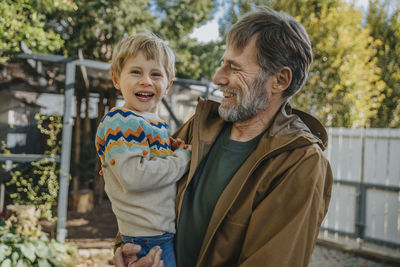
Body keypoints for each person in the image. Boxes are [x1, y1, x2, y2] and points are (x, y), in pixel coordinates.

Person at [114, 6, 333, 267]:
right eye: (222, 63)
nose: (218, 78)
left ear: (279, 80)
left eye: (234, 67)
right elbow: (146, 192)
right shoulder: (201, 125)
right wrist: (129, 247)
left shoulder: (300, 162)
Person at [95, 32, 191, 267]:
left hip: (156, 232)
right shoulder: (121, 122)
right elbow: (135, 177)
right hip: (149, 238)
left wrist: (169, 148)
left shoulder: (148, 123)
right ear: (117, 78)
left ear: (167, 85)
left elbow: (147, 157)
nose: (146, 80)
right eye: (136, 72)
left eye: (155, 74)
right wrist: (181, 159)